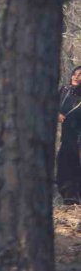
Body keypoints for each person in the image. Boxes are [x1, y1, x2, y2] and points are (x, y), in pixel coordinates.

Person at [57, 65, 81, 204]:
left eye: (80, 75)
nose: (76, 77)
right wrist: (56, 114)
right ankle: (69, 198)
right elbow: (51, 105)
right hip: (67, 136)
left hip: (78, 135)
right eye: (75, 74)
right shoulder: (64, 90)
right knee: (64, 164)